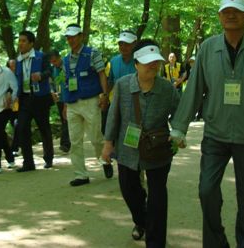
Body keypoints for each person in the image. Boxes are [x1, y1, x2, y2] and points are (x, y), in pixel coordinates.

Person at [170, 0, 244, 248]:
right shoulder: (208, 49)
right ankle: (216, 243)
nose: (231, 15)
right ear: (219, 16)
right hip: (216, 133)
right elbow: (194, 90)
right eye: (226, 11)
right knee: (207, 190)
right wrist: (179, 127)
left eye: (237, 11)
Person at [102, 39, 179, 246]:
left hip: (157, 149)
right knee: (129, 190)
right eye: (147, 62)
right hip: (127, 149)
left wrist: (179, 132)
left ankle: (155, 242)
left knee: (158, 197)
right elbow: (113, 115)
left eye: (156, 61)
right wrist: (108, 143)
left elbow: (179, 114)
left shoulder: (167, 89)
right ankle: (142, 220)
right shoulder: (123, 85)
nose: (153, 65)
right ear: (136, 63)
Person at [62, 24, 110, 186]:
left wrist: (104, 95)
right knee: (74, 140)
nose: (70, 40)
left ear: (81, 36)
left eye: (73, 36)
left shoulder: (92, 53)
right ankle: (80, 175)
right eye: (68, 37)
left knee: (96, 137)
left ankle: (105, 159)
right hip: (73, 103)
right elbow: (66, 82)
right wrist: (65, 104)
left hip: (91, 101)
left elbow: (101, 74)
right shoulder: (65, 59)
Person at [14, 30, 54, 171]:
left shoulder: (41, 56)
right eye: (19, 41)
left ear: (31, 43)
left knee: (44, 128)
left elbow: (50, 71)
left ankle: (48, 158)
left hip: (40, 98)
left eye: (24, 41)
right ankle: (28, 162)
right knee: (22, 127)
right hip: (25, 98)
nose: (21, 44)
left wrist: (41, 76)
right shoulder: (17, 60)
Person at [105, 30, 138, 132]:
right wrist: (105, 96)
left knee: (133, 133)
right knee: (115, 131)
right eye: (121, 44)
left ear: (134, 44)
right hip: (116, 104)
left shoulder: (140, 61)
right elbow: (110, 81)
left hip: (136, 104)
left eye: (127, 44)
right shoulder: (113, 61)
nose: (123, 47)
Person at [48, 50, 71, 153]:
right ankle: (67, 143)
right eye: (52, 61)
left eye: (55, 60)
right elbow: (51, 84)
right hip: (59, 99)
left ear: (59, 57)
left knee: (67, 119)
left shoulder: (67, 66)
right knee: (64, 120)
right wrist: (52, 92)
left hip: (69, 97)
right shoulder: (53, 69)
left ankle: (65, 144)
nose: (54, 63)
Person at [6, 59, 20, 156]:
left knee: (17, 123)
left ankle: (15, 147)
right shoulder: (5, 77)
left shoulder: (20, 75)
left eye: (14, 65)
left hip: (20, 103)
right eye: (11, 66)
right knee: (14, 123)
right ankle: (17, 145)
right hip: (10, 105)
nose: (13, 67)